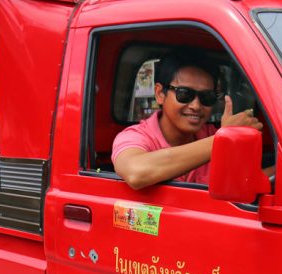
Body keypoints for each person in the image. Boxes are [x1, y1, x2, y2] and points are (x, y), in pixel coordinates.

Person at [112, 49, 263, 190]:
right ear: (159, 94)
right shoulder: (135, 137)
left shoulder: (211, 134)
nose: (196, 106)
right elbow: (136, 172)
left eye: (206, 97)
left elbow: (250, 179)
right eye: (184, 94)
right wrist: (223, 139)